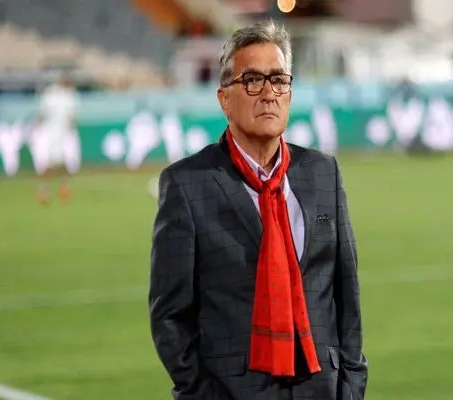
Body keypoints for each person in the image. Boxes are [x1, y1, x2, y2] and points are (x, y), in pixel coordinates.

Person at [149, 20, 367, 400]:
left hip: (322, 389)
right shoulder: (187, 185)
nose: (268, 93)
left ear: (289, 94)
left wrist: (350, 387)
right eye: (252, 80)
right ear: (224, 99)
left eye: (278, 80)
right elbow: (170, 316)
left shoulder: (323, 173)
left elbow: (346, 295)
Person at [35, 74, 79, 205]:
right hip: (50, 134)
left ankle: (62, 186)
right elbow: (41, 114)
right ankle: (45, 190)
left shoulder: (70, 97)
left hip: (63, 134)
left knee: (63, 162)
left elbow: (72, 118)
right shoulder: (50, 95)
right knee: (47, 162)